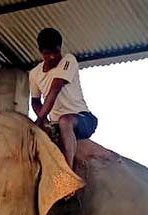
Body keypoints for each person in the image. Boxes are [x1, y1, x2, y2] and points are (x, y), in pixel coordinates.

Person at [29, 27, 98, 169]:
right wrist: (45, 122)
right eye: (48, 53)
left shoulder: (68, 60)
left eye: (56, 52)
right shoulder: (34, 73)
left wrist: (40, 120)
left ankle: (68, 174)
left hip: (82, 119)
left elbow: (55, 89)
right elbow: (35, 101)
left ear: (60, 49)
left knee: (65, 121)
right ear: (41, 52)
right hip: (55, 125)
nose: (53, 57)